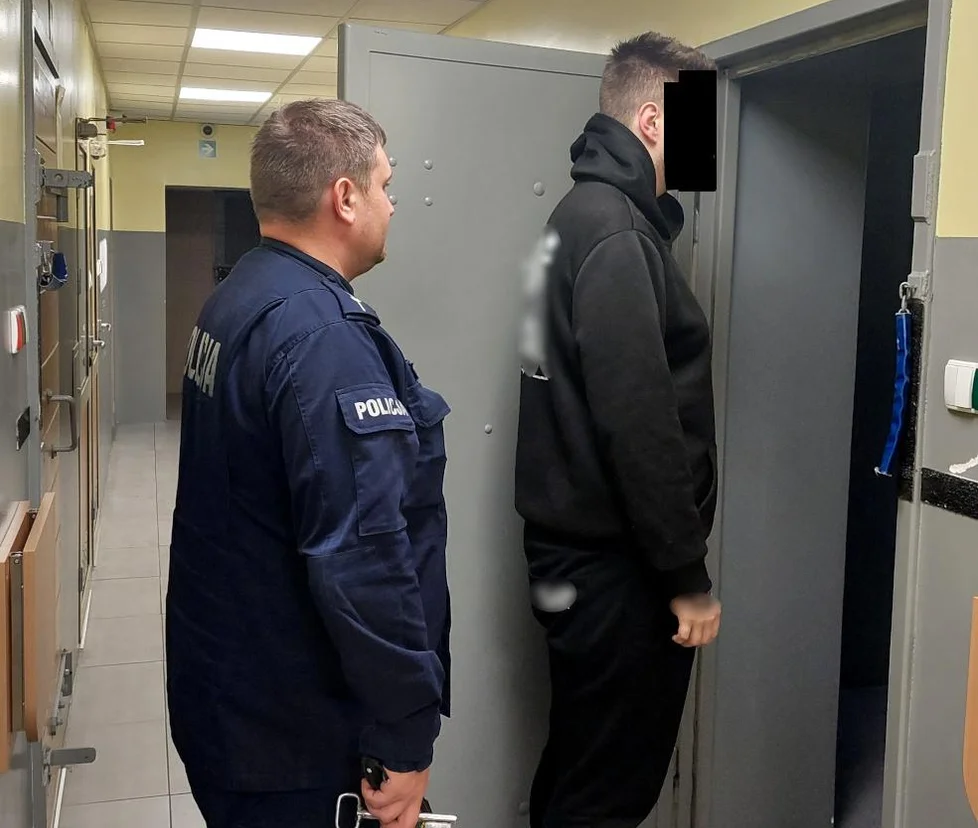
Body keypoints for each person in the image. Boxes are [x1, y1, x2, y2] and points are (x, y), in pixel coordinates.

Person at [165, 99, 452, 828]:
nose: (393, 204)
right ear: (345, 197)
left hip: (230, 700)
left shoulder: (236, 298)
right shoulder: (322, 338)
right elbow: (363, 560)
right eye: (385, 184)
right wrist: (405, 732)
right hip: (294, 739)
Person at [514, 32, 722, 828]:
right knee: (607, 793)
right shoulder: (618, 231)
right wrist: (686, 577)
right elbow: (637, 422)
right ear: (653, 121)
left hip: (581, 558)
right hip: (617, 571)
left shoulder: (584, 214)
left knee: (581, 767)